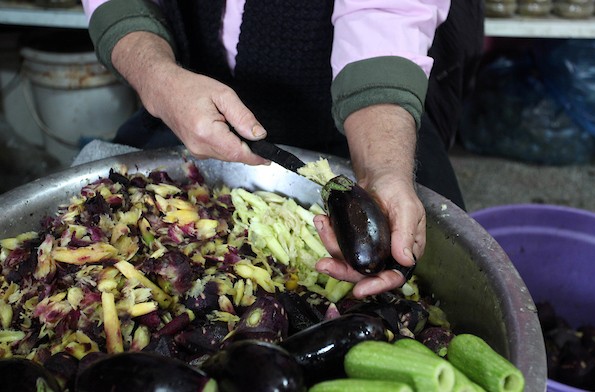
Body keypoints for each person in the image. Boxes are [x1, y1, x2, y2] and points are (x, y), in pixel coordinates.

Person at [82, 0, 483, 298]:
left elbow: (384, 14)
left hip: (360, 116)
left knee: (435, 257)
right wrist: (158, 78)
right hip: (182, 100)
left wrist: (383, 170)